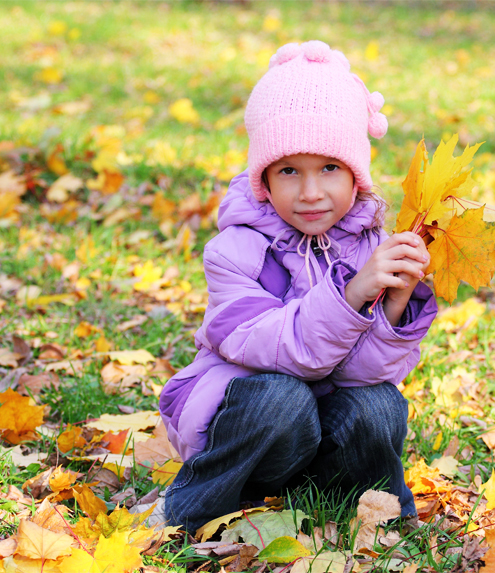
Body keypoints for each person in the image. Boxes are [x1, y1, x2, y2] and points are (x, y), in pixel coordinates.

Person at [157, 40, 437, 534]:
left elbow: (358, 375)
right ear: (263, 178)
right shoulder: (234, 252)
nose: (311, 193)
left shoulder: (368, 247)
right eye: (290, 171)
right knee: (283, 398)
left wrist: (392, 304)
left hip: (321, 442)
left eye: (329, 168)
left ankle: (369, 508)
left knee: (380, 403)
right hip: (254, 431)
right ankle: (188, 509)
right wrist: (352, 297)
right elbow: (276, 349)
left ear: (356, 175)